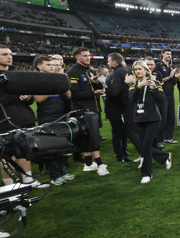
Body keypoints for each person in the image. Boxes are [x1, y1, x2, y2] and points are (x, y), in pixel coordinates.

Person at [0, 44, 43, 188]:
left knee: (25, 150)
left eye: (10, 54)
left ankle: (29, 181)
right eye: (4, 54)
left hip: (24, 117)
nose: (9, 57)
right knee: (8, 155)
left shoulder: (17, 74)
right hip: (2, 119)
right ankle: (10, 186)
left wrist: (28, 98)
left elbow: (31, 98)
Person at [33, 56, 75, 186]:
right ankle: (54, 175)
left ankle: (62, 171)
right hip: (47, 117)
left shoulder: (57, 77)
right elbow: (38, 99)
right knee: (51, 147)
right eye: (48, 64)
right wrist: (53, 86)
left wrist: (61, 84)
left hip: (62, 115)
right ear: (39, 66)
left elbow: (69, 96)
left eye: (52, 64)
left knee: (63, 145)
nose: (52, 67)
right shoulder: (36, 80)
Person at [67, 47, 109, 176]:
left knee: (89, 137)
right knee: (91, 137)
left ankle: (89, 163)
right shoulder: (73, 72)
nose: (87, 58)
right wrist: (93, 92)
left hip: (93, 107)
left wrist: (96, 84)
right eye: (84, 55)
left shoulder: (90, 71)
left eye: (88, 55)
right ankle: (99, 163)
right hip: (82, 109)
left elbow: (98, 87)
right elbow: (74, 94)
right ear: (77, 57)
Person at [129, 60, 172, 184]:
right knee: (144, 146)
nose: (137, 72)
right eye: (135, 70)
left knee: (146, 146)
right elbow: (131, 99)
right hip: (139, 118)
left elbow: (161, 100)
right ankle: (164, 157)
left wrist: (154, 89)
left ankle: (146, 173)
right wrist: (139, 86)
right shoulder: (133, 84)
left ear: (146, 70)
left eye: (139, 69)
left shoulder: (156, 82)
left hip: (153, 118)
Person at [105, 53, 138, 162]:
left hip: (115, 107)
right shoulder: (127, 71)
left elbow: (115, 92)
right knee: (123, 131)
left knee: (118, 132)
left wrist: (106, 88)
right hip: (124, 106)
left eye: (109, 61)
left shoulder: (115, 74)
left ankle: (120, 154)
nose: (107, 63)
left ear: (115, 62)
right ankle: (123, 152)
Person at [156, 49, 180, 144]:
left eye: (170, 54)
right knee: (163, 118)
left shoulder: (170, 66)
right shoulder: (158, 66)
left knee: (171, 117)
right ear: (162, 54)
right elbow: (158, 81)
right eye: (167, 54)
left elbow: (172, 83)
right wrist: (170, 76)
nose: (169, 55)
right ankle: (159, 140)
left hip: (170, 94)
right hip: (162, 95)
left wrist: (175, 78)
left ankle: (168, 138)